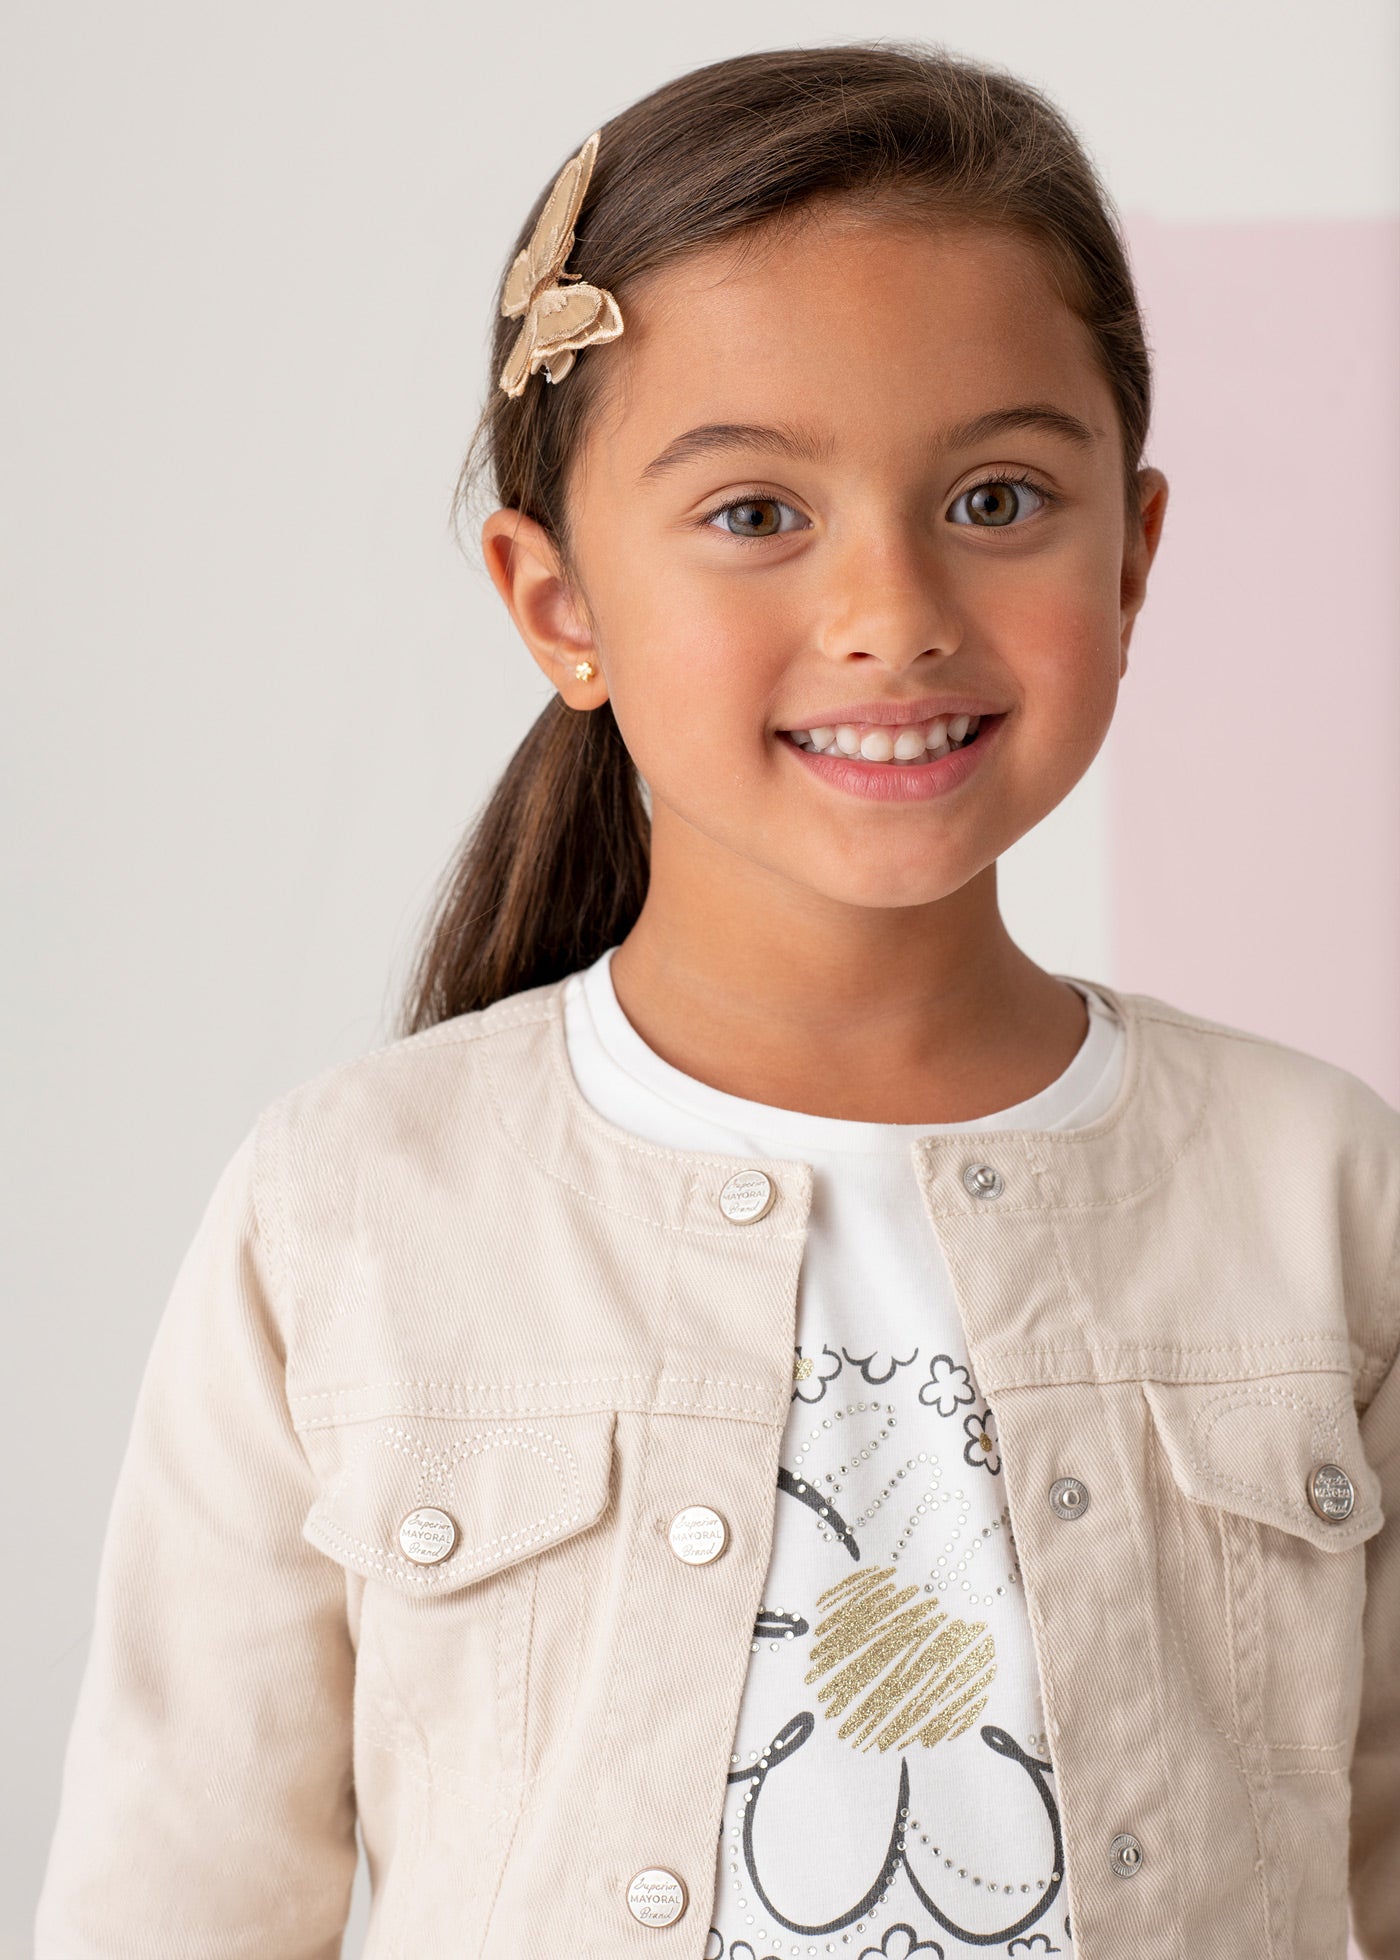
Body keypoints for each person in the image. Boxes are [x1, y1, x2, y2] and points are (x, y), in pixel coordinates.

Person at [34, 40, 1399, 1960]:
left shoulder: (1322, 1188)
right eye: (757, 514)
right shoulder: (348, 1208)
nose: (892, 612)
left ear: (1134, 555)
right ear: (557, 603)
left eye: (999, 496)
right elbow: (173, 1899)